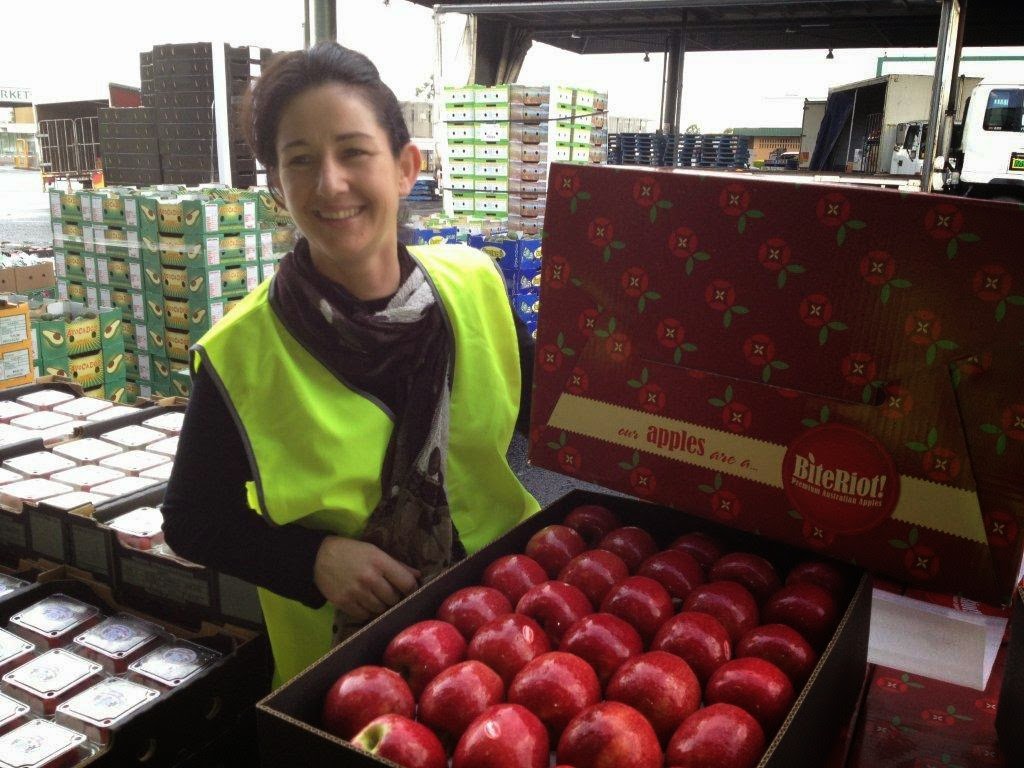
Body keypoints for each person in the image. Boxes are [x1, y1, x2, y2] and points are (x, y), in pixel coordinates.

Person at [161, 42, 539, 686]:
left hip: (514, 620)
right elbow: (193, 518)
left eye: (354, 152)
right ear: (278, 189)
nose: (330, 183)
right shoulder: (242, 352)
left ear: (405, 167)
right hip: (352, 668)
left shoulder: (476, 285)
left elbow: (558, 418)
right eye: (300, 161)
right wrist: (312, 559)